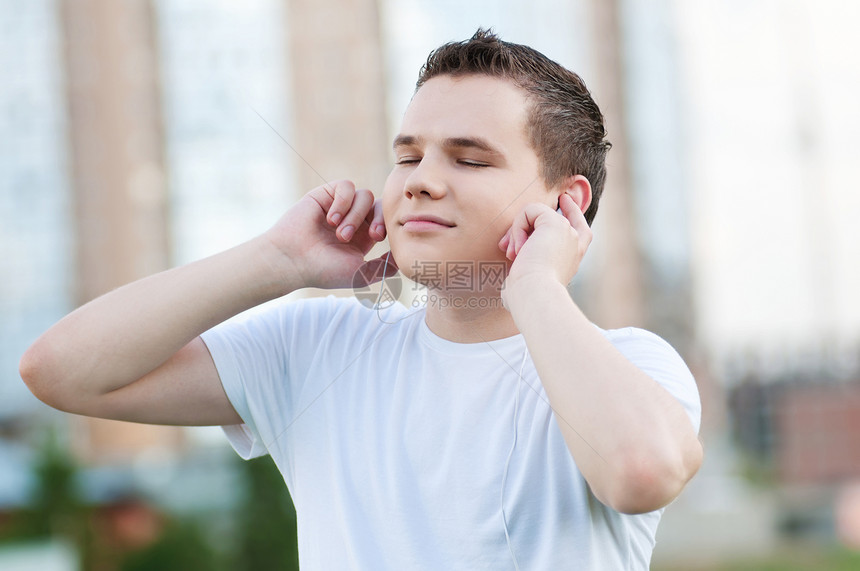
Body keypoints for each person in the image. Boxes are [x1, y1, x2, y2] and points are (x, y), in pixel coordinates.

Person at [21, 29, 702, 570]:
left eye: (468, 158)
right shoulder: (318, 347)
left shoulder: (632, 365)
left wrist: (535, 284)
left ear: (566, 201)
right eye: (408, 156)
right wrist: (277, 260)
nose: (421, 181)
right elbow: (58, 369)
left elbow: (641, 471)